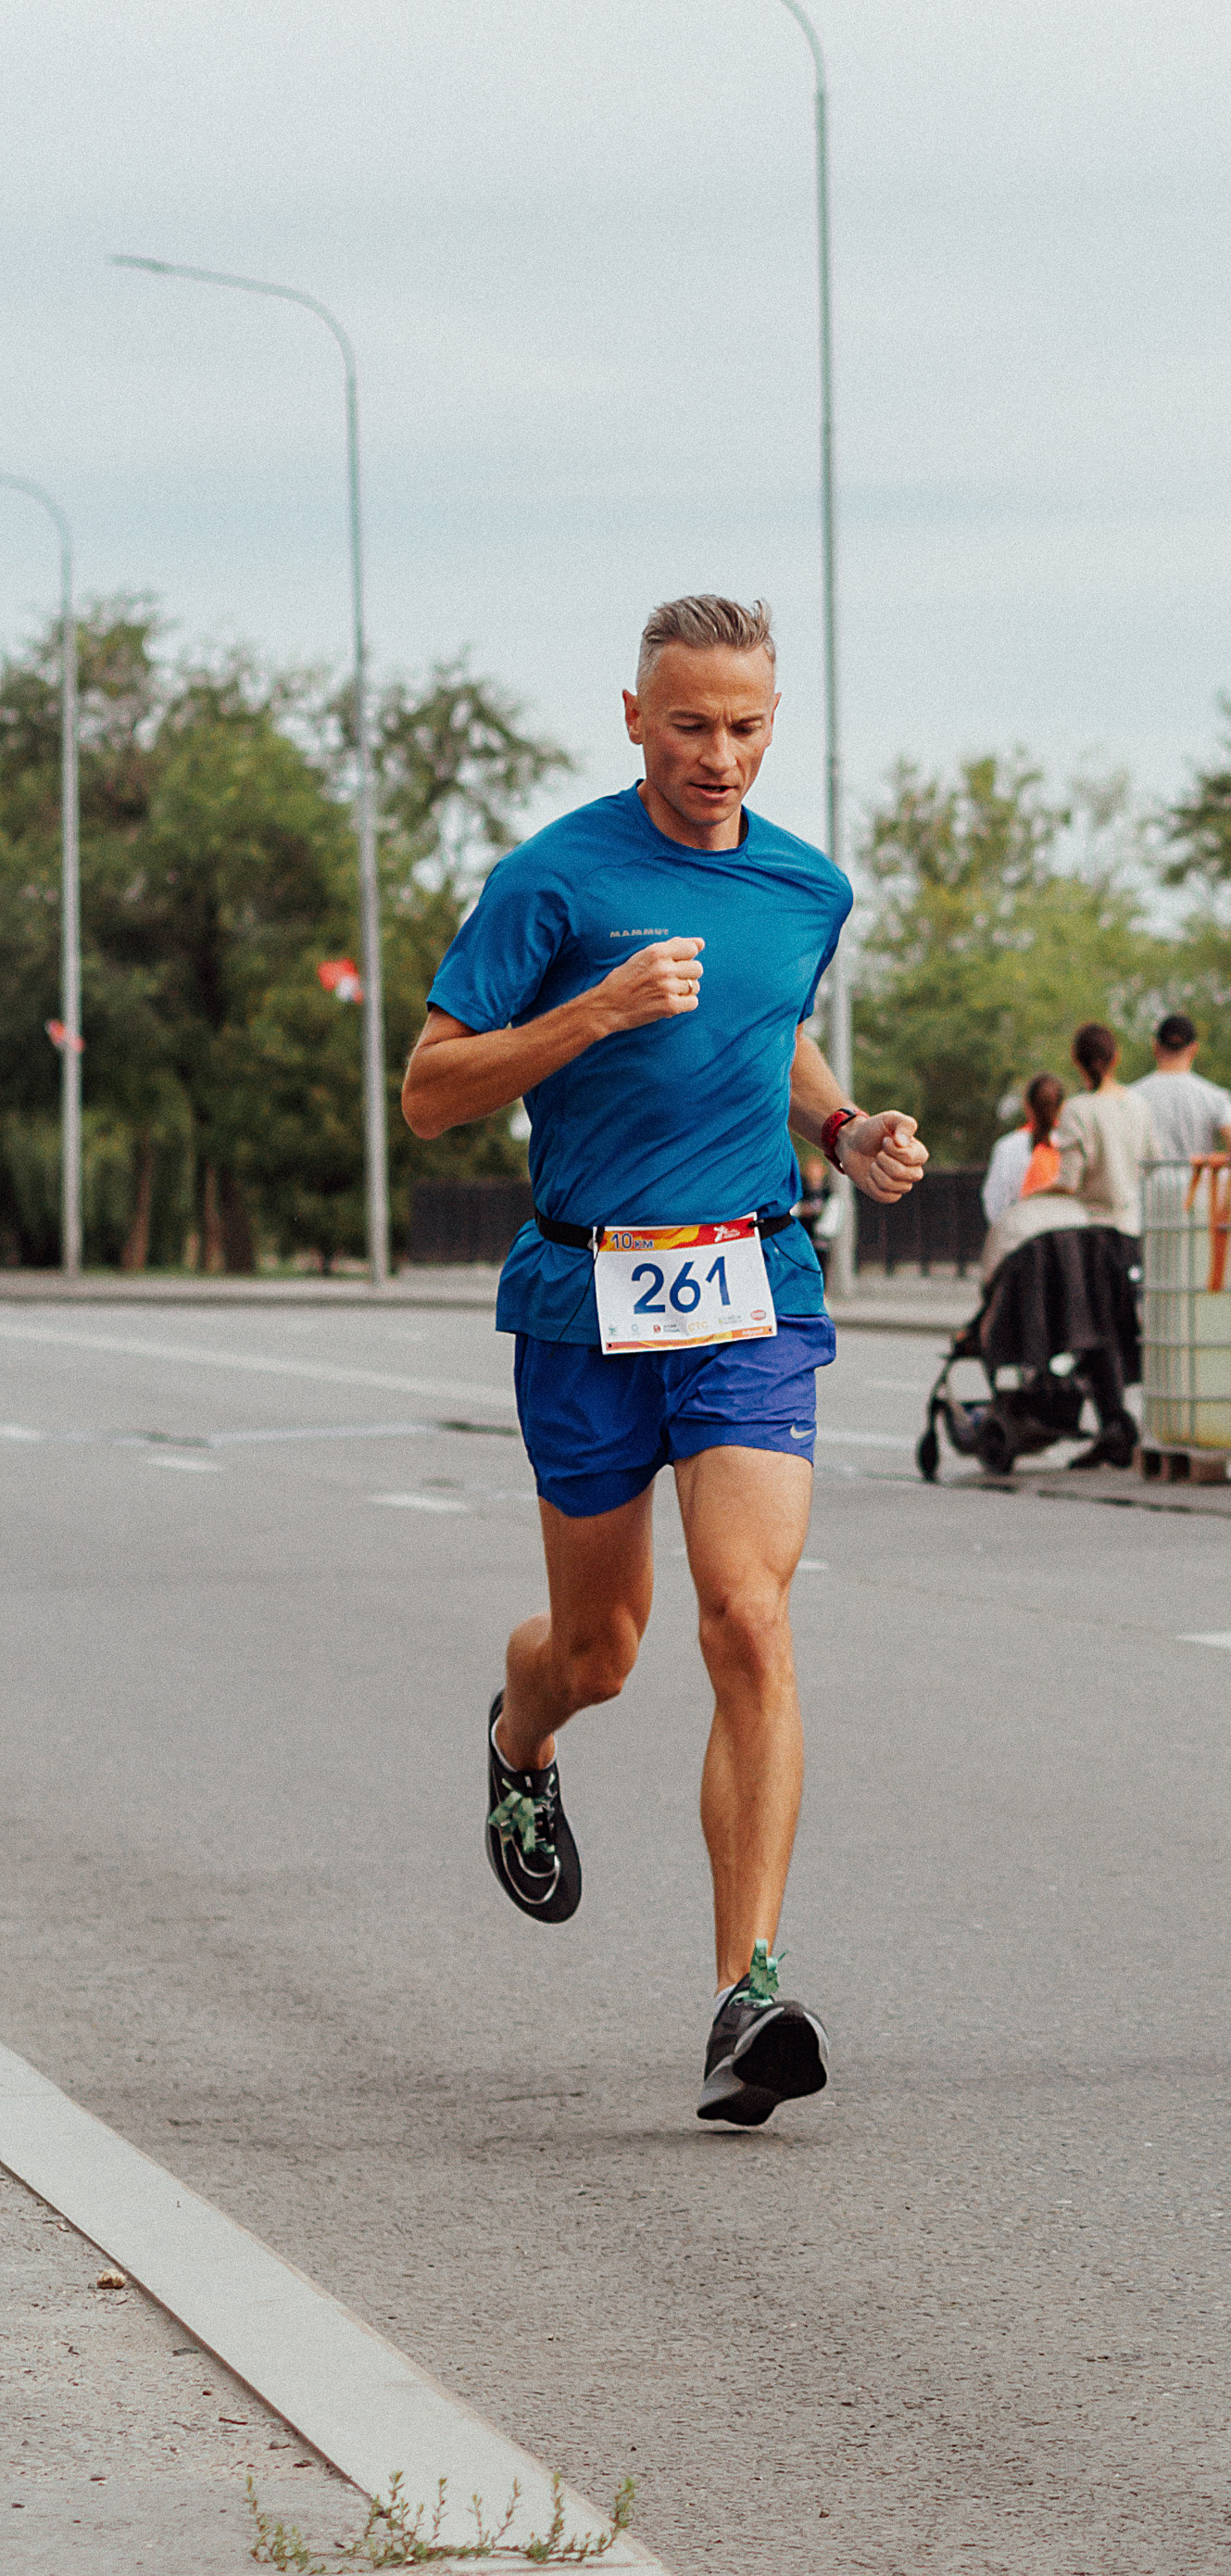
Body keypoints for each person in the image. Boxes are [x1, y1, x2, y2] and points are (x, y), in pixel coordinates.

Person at [400, 593, 927, 2132]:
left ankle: (744, 1994)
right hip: (585, 1295)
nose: (718, 754)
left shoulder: (803, 886)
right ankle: (520, 1731)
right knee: (601, 1651)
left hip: (749, 1282)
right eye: (688, 724)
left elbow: (768, 1035)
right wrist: (596, 1010)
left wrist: (842, 1129)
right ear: (633, 716)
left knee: (748, 1620)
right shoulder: (552, 878)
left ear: (777, 720)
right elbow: (432, 1091)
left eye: (747, 726)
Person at [1054, 1020, 1162, 1241]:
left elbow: (1069, 1183)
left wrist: (1034, 1195)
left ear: (1076, 1060)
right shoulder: (1138, 1104)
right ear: (1116, 1057)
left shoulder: (1075, 1109)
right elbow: (1153, 1161)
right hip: (1131, 1228)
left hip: (1088, 1230)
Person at [1131, 1013, 1231, 1160]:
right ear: (1193, 1049)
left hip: (1146, 1183)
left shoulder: (1132, 1096)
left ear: (1156, 1046)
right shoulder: (1214, 1096)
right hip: (1198, 1181)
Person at [982, 1074, 1064, 1224]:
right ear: (1061, 1107)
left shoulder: (1007, 1147)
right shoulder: (1070, 1146)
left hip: (1021, 1236)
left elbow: (995, 1204)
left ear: (1027, 1106)